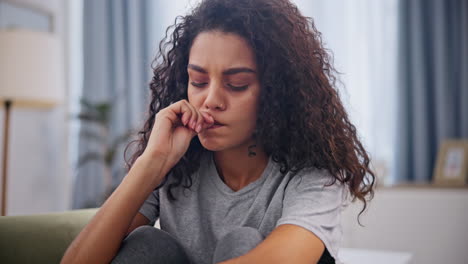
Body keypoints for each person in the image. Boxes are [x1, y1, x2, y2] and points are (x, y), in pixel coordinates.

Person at [61, 0, 375, 263]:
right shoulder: (177, 165)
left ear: (278, 93)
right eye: (198, 81)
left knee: (242, 241)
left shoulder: (312, 174)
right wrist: (152, 162)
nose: (210, 100)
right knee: (147, 243)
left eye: (236, 85)